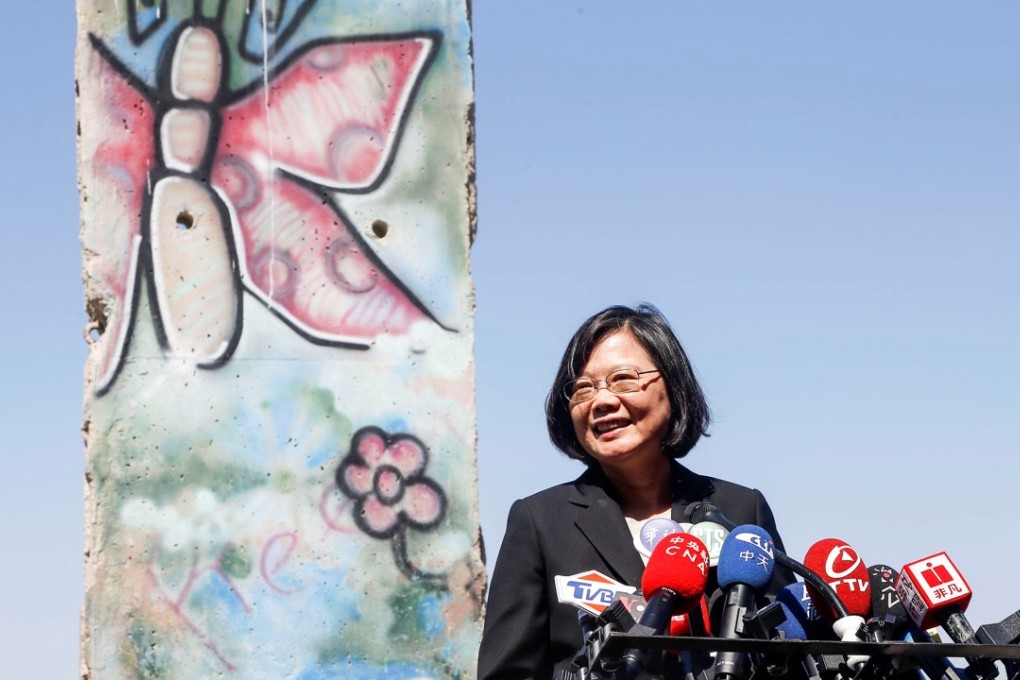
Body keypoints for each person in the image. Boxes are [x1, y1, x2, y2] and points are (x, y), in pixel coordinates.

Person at [477, 303, 792, 680]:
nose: (602, 400)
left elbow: (788, 654)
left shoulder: (741, 510)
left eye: (624, 378)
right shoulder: (540, 521)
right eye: (582, 388)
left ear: (673, 386)